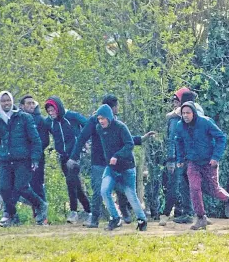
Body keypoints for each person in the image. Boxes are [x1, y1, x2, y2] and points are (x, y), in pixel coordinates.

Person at [68, 94, 155, 228]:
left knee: (125, 190)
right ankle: (98, 218)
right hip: (100, 161)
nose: (117, 109)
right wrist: (73, 157)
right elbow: (82, 138)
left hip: (119, 163)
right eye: (116, 107)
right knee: (100, 190)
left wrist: (140, 139)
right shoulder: (95, 124)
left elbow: (126, 140)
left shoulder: (117, 124)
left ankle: (129, 213)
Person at [0, 91, 48, 226]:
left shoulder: (24, 118)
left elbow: (36, 140)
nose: (6, 103)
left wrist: (35, 158)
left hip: (23, 159)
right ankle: (12, 216)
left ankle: (40, 205)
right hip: (5, 160)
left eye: (8, 100)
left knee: (21, 187)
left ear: (12, 101)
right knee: (4, 189)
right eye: (3, 101)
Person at [175, 101, 229, 230]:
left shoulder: (205, 122)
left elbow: (221, 138)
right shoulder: (179, 126)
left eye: (188, 113)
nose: (185, 115)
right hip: (193, 162)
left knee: (212, 189)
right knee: (194, 188)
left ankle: (228, 199)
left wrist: (215, 157)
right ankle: (200, 217)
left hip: (209, 162)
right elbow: (179, 141)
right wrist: (180, 158)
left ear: (194, 113)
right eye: (183, 113)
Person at [95, 104, 148, 231]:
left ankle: (142, 219)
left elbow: (129, 144)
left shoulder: (121, 127)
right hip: (111, 168)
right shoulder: (99, 129)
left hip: (126, 167)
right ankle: (115, 218)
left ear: (109, 117)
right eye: (99, 118)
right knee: (104, 190)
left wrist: (117, 156)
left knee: (130, 194)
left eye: (103, 118)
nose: (101, 121)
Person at [44, 96, 91, 224]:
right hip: (63, 156)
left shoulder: (72, 116)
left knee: (71, 181)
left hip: (75, 155)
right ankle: (89, 211)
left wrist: (85, 142)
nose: (51, 112)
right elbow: (40, 131)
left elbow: (88, 125)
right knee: (76, 185)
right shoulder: (49, 122)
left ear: (58, 107)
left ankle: (73, 212)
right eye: (48, 110)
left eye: (52, 109)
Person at [160, 87, 195, 226]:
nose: (174, 104)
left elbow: (172, 140)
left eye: (176, 101)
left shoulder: (177, 119)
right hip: (183, 157)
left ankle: (168, 213)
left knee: (178, 186)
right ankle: (176, 213)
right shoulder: (181, 118)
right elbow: (173, 140)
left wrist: (171, 159)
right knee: (182, 186)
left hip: (181, 158)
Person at [20, 95, 50, 224]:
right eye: (28, 103)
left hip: (37, 159)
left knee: (37, 186)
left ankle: (42, 217)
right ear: (22, 106)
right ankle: (32, 213)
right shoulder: (18, 119)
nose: (31, 106)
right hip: (21, 159)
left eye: (33, 103)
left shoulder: (40, 121)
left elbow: (45, 141)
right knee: (22, 186)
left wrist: (34, 153)